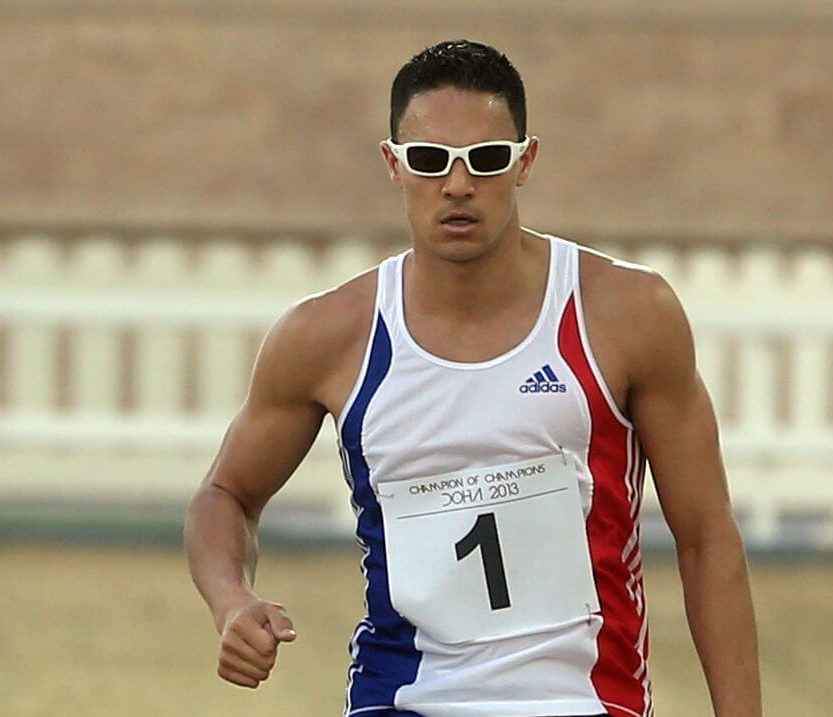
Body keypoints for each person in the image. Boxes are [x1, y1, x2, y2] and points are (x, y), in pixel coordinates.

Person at [184, 38, 762, 717]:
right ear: (393, 165)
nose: (458, 185)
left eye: (486, 159)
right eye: (430, 161)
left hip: (582, 701)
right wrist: (232, 600)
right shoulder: (327, 336)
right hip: (400, 699)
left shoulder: (626, 314)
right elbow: (225, 492)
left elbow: (705, 536)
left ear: (525, 161)